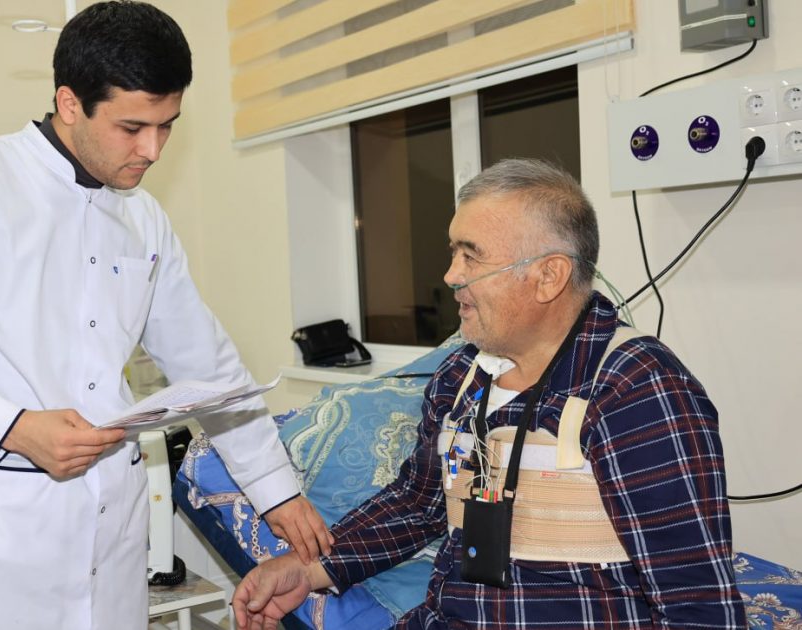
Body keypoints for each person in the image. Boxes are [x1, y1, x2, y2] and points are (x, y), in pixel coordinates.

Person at [0, 2, 330, 628]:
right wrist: (14, 427)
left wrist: (275, 490)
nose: (152, 149)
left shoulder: (144, 217)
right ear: (69, 104)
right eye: (132, 127)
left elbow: (207, 365)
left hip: (114, 535)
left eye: (167, 126)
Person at [233, 159, 746, 629]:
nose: (450, 276)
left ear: (548, 276)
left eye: (471, 257)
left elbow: (695, 603)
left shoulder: (635, 387)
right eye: (453, 252)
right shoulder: (462, 376)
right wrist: (308, 568)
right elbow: (420, 505)